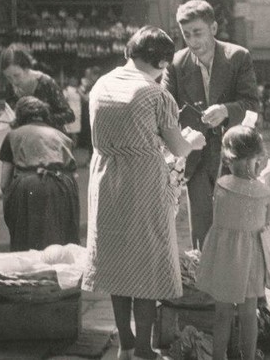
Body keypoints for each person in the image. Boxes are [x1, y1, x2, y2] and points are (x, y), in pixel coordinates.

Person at [81, 26, 206, 360]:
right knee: (147, 263)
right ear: (162, 62)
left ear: (129, 52)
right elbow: (177, 146)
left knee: (116, 261)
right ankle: (143, 349)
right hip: (143, 181)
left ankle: (125, 343)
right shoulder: (155, 94)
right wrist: (192, 142)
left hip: (105, 177)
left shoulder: (100, 85)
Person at [161, 0, 258, 249]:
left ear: (213, 28)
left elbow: (252, 104)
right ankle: (204, 281)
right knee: (202, 232)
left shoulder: (238, 57)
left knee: (236, 227)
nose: (193, 41)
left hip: (234, 156)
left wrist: (227, 110)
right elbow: (165, 108)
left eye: (198, 33)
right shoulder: (175, 64)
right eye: (186, 35)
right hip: (196, 159)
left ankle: (236, 282)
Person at [196, 125, 270, 360]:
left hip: (226, 258)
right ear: (257, 156)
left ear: (228, 157)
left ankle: (219, 357)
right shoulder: (264, 190)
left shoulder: (222, 185)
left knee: (222, 314)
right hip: (251, 260)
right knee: (250, 314)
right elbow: (268, 222)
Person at [0, 96, 80, 252]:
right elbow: (74, 174)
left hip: (29, 185)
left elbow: (4, 183)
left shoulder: (13, 135)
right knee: (60, 243)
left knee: (28, 244)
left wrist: (11, 206)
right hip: (63, 185)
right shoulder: (61, 136)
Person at [1, 43, 74, 131]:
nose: (13, 81)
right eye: (8, 77)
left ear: (26, 68)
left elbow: (70, 115)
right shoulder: (11, 87)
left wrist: (43, 120)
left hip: (52, 138)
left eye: (16, 75)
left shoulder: (46, 83)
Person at [63, 76, 82, 146]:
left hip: (77, 113)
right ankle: (67, 146)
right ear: (70, 80)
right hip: (69, 112)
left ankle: (74, 147)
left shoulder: (79, 89)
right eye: (73, 79)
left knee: (75, 132)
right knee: (68, 131)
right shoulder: (67, 90)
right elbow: (63, 100)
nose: (75, 81)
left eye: (76, 79)